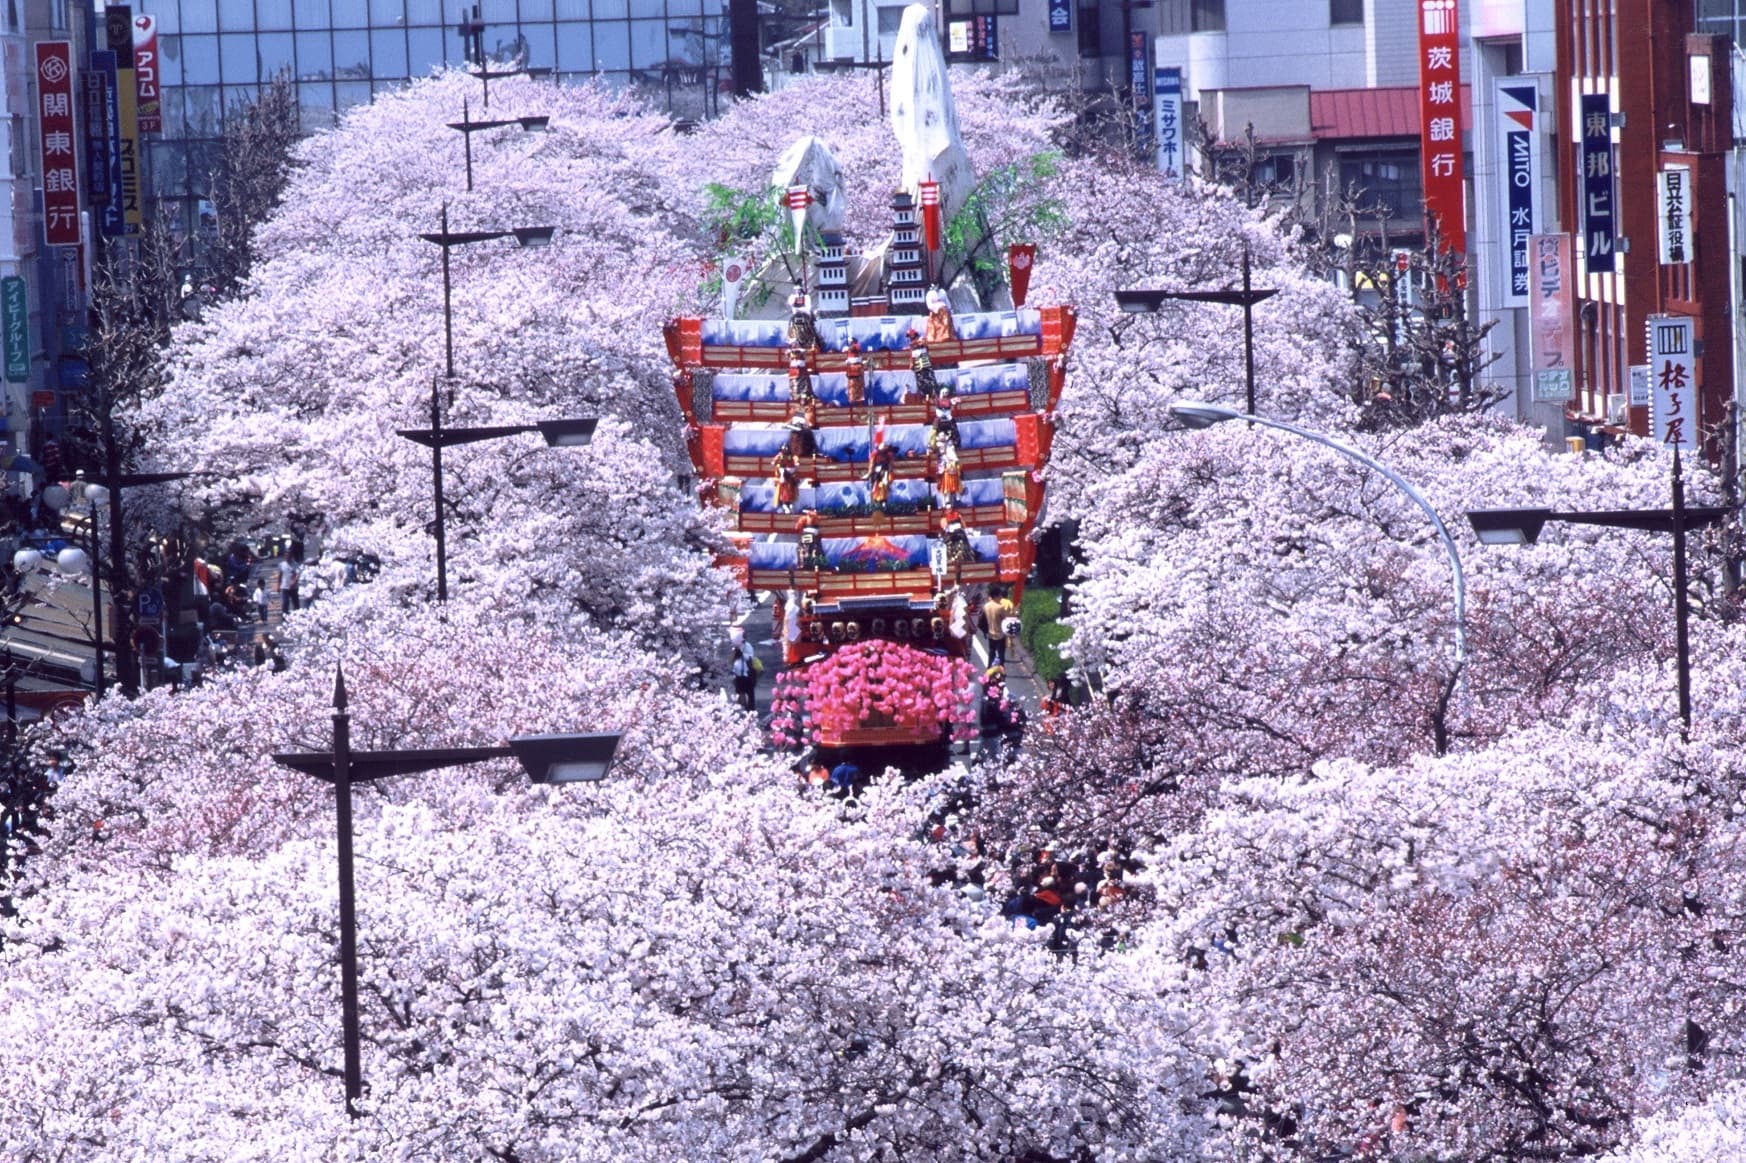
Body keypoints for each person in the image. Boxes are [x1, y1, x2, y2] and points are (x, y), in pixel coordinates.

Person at [983, 584, 1015, 666]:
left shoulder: (986, 606)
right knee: (1001, 655)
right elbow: (1007, 619)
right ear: (996, 596)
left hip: (990, 633)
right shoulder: (999, 607)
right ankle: (1001, 671)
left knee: (991, 652)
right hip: (1000, 634)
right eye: (1000, 595)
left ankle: (989, 669)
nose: (1001, 597)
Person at [843, 339, 866, 406]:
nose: (851, 343)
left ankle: (860, 403)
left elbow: (857, 348)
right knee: (852, 387)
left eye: (851, 342)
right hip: (851, 367)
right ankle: (853, 403)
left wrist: (851, 347)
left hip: (857, 366)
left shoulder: (856, 346)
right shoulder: (849, 348)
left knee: (859, 388)